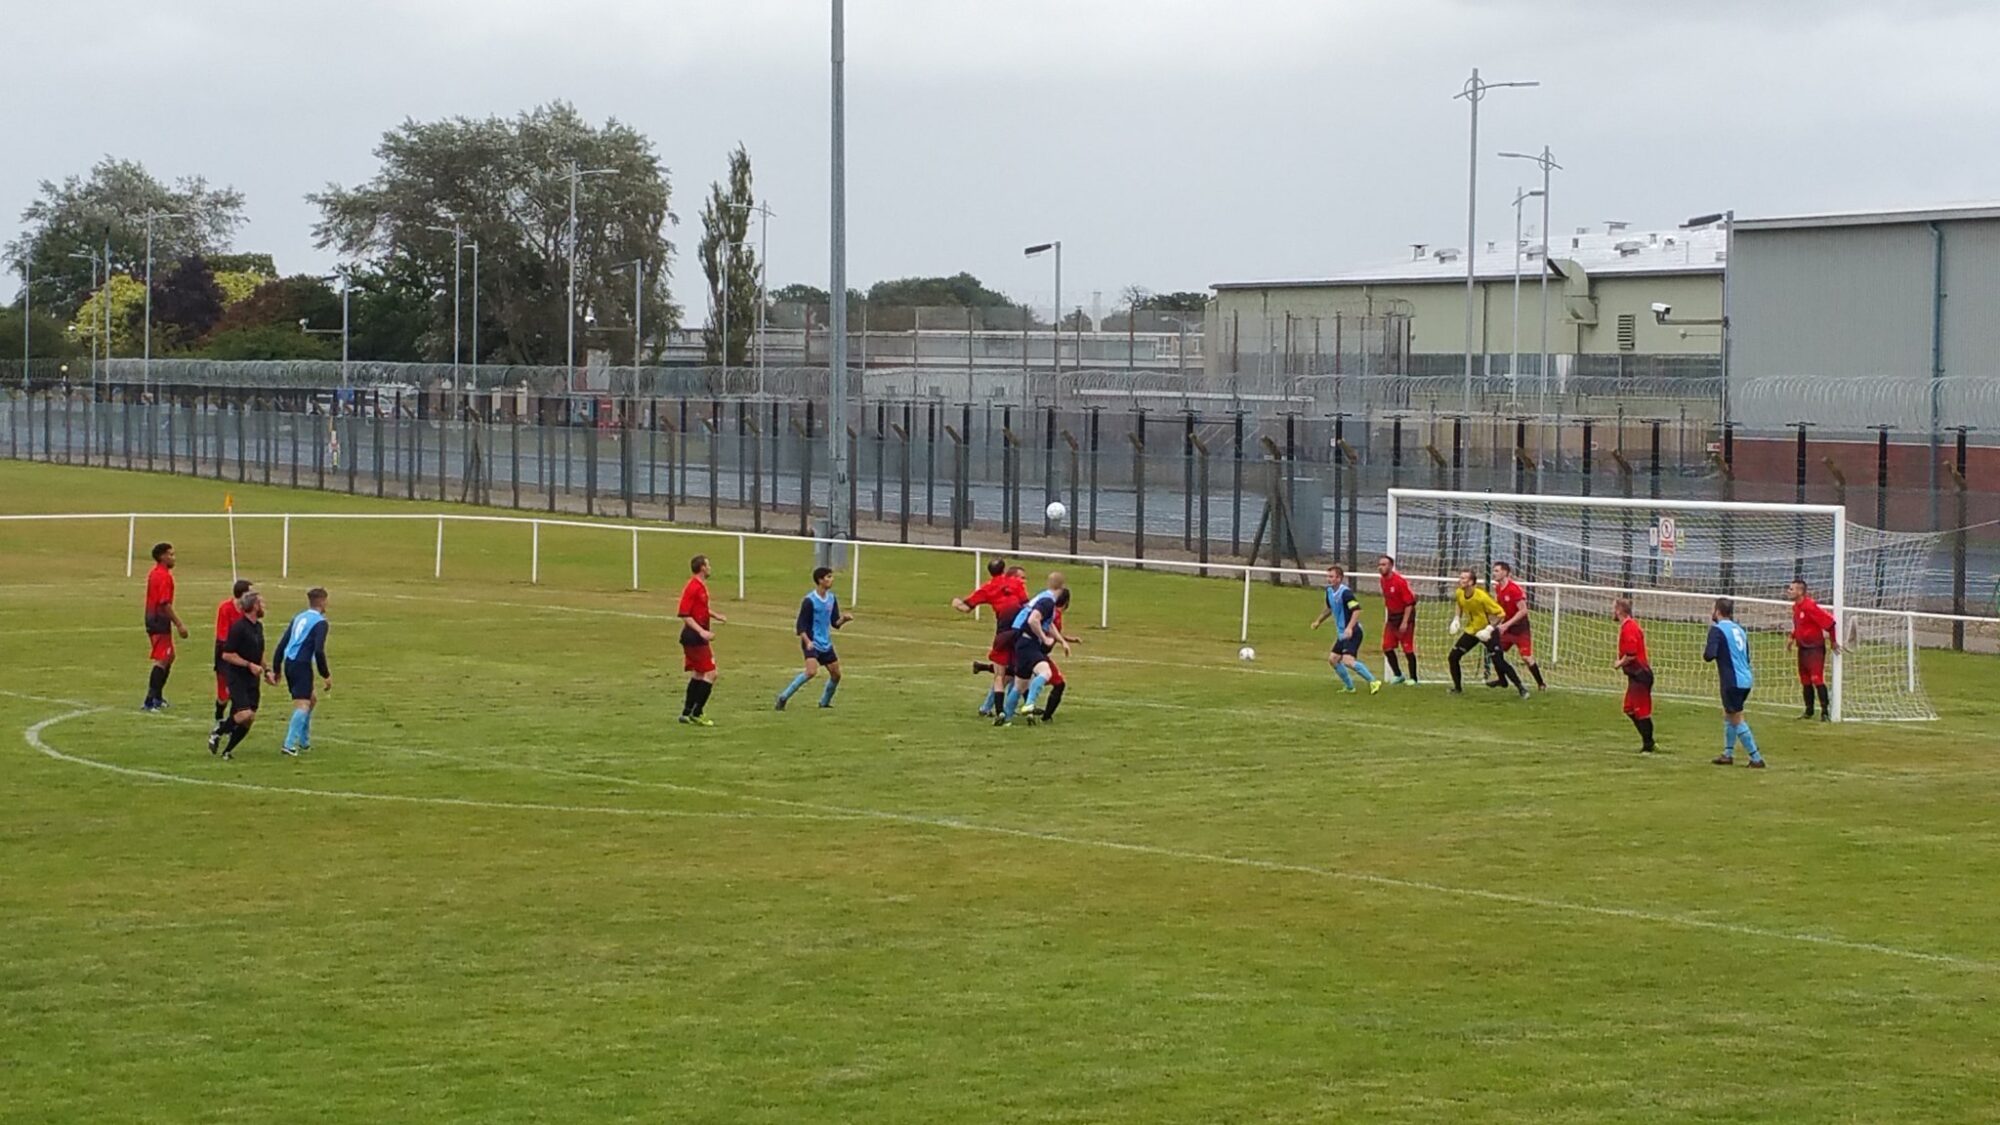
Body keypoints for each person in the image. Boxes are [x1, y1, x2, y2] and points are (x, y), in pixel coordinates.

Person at [955, 560, 1030, 717]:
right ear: (1004, 569)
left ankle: (996, 709)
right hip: (1020, 628)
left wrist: (956, 603)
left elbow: (966, 607)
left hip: (1003, 631)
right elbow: (1026, 605)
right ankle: (1010, 707)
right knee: (1018, 670)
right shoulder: (1015, 582)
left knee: (1002, 674)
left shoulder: (987, 588)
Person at [997, 572, 1071, 726]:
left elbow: (1047, 624)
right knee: (1046, 672)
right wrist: (1044, 639)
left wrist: (1061, 640)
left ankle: (1006, 719)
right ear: (1062, 587)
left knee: (1019, 685)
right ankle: (1030, 703)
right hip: (1029, 643)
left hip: (1021, 642)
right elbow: (1033, 620)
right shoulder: (1048, 602)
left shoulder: (1043, 597)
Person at [777, 567, 853, 710]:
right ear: (820, 580)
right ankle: (783, 697)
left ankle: (824, 703)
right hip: (811, 641)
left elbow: (834, 623)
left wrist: (844, 619)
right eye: (828, 577)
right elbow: (801, 625)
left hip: (826, 643)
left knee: (836, 675)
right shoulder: (809, 601)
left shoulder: (831, 599)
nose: (831, 580)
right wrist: (808, 642)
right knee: (811, 671)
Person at [1704, 597, 1765, 768]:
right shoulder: (1739, 630)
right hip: (1746, 678)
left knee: (1736, 717)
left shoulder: (1717, 630)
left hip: (1732, 680)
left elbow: (1709, 655)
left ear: (1717, 611)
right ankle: (1727, 754)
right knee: (1728, 713)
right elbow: (1746, 655)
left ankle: (1756, 758)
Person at [271, 587, 333, 756]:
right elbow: (319, 650)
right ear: (322, 601)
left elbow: (282, 643)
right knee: (303, 704)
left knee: (311, 699)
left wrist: (277, 668)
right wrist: (325, 675)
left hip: (290, 662)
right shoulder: (320, 622)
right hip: (301, 664)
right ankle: (289, 744)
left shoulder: (299, 617)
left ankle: (304, 741)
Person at [209, 590, 268, 760]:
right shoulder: (239, 628)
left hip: (253, 678)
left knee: (249, 719)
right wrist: (249, 665)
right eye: (261, 602)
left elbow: (260, 652)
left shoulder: (258, 627)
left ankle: (227, 751)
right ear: (254, 606)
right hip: (237, 677)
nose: (263, 606)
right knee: (244, 714)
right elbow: (227, 655)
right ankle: (217, 733)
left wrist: (268, 670)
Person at [1448, 569, 1525, 697]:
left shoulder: (1482, 597)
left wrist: (1489, 629)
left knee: (1499, 661)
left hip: (1488, 632)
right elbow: (1459, 604)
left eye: (1464, 578)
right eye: (1460, 578)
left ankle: (1521, 688)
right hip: (1472, 631)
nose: (1460, 580)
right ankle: (1457, 688)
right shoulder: (1460, 593)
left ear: (1471, 582)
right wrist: (1456, 619)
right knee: (1453, 657)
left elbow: (1500, 614)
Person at [1311, 565, 1381, 695]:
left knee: (1347, 660)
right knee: (1333, 659)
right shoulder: (1329, 592)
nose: (1328, 579)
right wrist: (1318, 621)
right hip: (1342, 633)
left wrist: (1349, 628)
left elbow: (1357, 610)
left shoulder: (1346, 593)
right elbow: (1329, 608)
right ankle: (1350, 687)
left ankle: (1373, 681)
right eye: (1328, 576)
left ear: (1339, 578)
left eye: (1331, 577)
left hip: (1353, 632)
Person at [678, 554, 727, 726]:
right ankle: (697, 713)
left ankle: (686, 712)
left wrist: (716, 615)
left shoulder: (700, 586)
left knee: (698, 673)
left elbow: (700, 608)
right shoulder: (693, 587)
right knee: (712, 673)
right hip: (694, 637)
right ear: (702, 568)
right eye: (708, 564)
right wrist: (702, 632)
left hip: (694, 637)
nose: (710, 567)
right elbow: (684, 614)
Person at [142, 542, 190, 711]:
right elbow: (164, 603)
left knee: (169, 657)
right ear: (162, 556)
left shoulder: (155, 573)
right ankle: (150, 700)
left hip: (153, 617)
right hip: (158, 619)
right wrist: (179, 624)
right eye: (170, 554)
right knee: (162, 659)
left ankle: (157, 697)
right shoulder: (163, 576)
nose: (173, 558)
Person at [1787, 578, 1840, 722]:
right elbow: (1799, 625)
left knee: (1816, 678)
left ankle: (1825, 712)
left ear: (1800, 591)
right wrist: (1792, 637)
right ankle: (1809, 711)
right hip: (1802, 648)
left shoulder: (1810, 606)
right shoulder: (1796, 607)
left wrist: (1833, 642)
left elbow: (1830, 623)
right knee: (1805, 680)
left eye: (1791, 589)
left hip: (1815, 648)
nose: (1788, 591)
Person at [1489, 562, 1548, 691]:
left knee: (1526, 658)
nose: (1494, 573)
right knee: (1495, 652)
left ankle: (1541, 684)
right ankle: (1502, 679)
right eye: (1494, 571)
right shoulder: (1498, 588)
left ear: (1505, 572)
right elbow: (1500, 609)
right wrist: (1493, 623)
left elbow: (1523, 611)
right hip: (1507, 628)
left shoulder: (1514, 589)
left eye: (1497, 571)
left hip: (1520, 629)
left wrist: (1506, 625)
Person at [1613, 598, 1657, 754]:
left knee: (1641, 710)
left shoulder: (1629, 627)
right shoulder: (1628, 626)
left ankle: (1648, 743)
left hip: (1640, 675)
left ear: (1619, 610)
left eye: (1614, 608)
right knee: (1629, 708)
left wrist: (1619, 663)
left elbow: (1631, 654)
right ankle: (1648, 740)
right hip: (1635, 675)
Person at [213, 579, 255, 725]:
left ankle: (233, 721)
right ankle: (219, 714)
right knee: (224, 694)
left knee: (237, 689)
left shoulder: (247, 611)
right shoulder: (225, 608)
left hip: (240, 652)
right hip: (225, 652)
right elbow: (222, 636)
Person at [1376, 555, 1420, 685]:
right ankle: (1398, 675)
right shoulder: (1383, 580)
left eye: (1384, 564)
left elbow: (1409, 603)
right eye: (1379, 564)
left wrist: (1405, 622)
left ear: (1391, 566)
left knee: (1407, 648)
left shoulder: (1399, 581)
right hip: (1392, 618)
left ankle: (1413, 678)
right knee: (1387, 647)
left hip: (1404, 617)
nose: (1381, 567)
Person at [1040, 588, 1077, 722]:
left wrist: (1066, 639)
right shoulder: (1054, 614)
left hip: (1037, 651)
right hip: (1039, 653)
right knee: (1059, 684)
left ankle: (983, 667)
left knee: (1014, 675)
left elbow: (1053, 632)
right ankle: (1046, 716)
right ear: (1067, 602)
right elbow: (1047, 630)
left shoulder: (1052, 612)